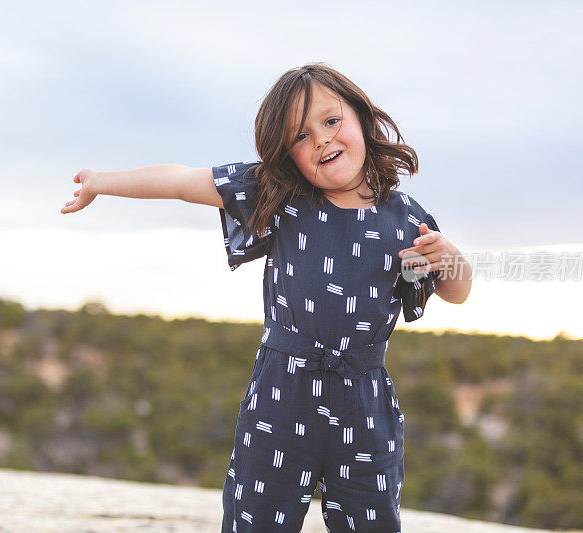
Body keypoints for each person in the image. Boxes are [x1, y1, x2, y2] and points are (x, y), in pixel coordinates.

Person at [61, 63, 472, 532]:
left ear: (360, 118)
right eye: (300, 135)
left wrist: (451, 256)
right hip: (282, 393)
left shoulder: (407, 220)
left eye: (331, 121)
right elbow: (180, 181)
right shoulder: (280, 195)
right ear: (286, 154)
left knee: (372, 522)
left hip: (364, 401)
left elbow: (456, 291)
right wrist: (100, 181)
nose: (320, 139)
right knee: (255, 522)